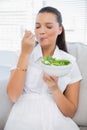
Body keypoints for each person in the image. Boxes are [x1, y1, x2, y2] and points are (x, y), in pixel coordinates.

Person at [4, 6, 82, 130]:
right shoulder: (22, 54)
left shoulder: (70, 62)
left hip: (57, 120)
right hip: (23, 117)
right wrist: (25, 54)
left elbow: (70, 112)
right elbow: (13, 96)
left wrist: (55, 89)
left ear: (59, 29)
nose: (41, 31)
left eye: (49, 27)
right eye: (37, 26)